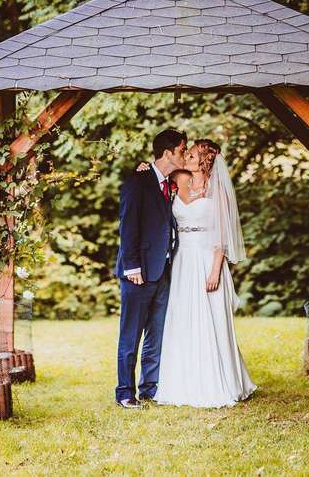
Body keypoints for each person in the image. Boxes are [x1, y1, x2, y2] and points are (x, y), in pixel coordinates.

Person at [140, 139, 256, 408]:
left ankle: (220, 380)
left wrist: (216, 269)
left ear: (204, 160)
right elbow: (157, 171)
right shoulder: (179, 180)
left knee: (212, 319)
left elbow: (223, 234)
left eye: (191, 154)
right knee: (181, 316)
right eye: (187, 153)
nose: (187, 157)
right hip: (182, 260)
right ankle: (181, 380)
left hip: (207, 259)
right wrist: (143, 168)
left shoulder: (218, 191)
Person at [114, 128, 187, 408]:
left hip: (163, 270)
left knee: (156, 334)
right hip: (139, 272)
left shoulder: (170, 183)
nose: (183, 154)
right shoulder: (138, 181)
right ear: (168, 153)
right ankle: (124, 392)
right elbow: (128, 225)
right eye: (182, 149)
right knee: (130, 335)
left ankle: (149, 388)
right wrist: (131, 265)